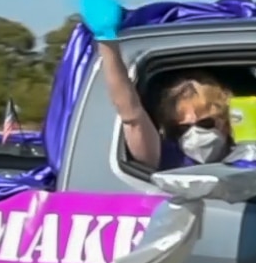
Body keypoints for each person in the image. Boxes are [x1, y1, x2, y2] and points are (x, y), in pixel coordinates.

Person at [94, 41, 236, 170]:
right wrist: (108, 45)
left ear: (224, 120)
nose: (194, 134)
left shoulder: (245, 154)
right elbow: (132, 117)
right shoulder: (170, 159)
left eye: (205, 123)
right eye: (181, 129)